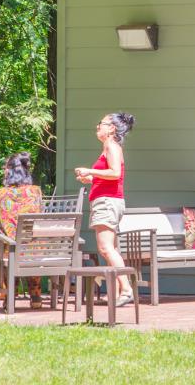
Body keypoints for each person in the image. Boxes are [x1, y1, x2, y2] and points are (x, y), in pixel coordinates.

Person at [73, 112, 136, 307]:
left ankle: (126, 290)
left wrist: (90, 170)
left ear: (112, 128)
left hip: (107, 203)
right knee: (112, 248)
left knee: (105, 248)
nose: (97, 127)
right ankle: (116, 294)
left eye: (101, 123)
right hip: (108, 200)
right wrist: (91, 179)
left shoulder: (112, 146)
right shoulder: (107, 147)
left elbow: (115, 173)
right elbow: (109, 176)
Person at [0, 152, 44, 308]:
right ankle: (36, 296)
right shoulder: (36, 191)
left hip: (11, 250)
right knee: (30, 247)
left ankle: (10, 295)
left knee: (7, 246)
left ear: (8, 171)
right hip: (36, 250)